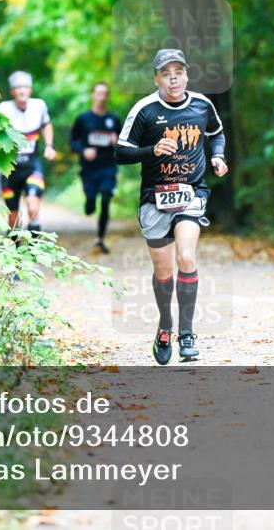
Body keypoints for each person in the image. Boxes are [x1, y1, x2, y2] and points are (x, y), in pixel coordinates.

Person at [115, 49, 228, 364]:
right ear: (157, 78)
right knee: (163, 270)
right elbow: (121, 153)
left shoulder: (202, 105)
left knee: (186, 256)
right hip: (155, 198)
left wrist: (218, 157)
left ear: (187, 75)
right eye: (166, 73)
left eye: (178, 71)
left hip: (192, 193)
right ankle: (165, 324)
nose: (173, 77)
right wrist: (152, 150)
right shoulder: (145, 110)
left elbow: (217, 134)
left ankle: (187, 335)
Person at [0, 71, 57, 233]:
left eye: (25, 87)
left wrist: (49, 146)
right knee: (13, 215)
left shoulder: (39, 106)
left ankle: (34, 246)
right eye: (18, 87)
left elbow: (47, 124)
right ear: (12, 91)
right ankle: (16, 250)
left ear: (30, 90)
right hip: (10, 169)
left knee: (32, 202)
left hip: (32, 166)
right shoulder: (3, 108)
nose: (22, 90)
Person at [70, 82, 122, 253]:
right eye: (98, 93)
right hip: (89, 168)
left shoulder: (113, 120)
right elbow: (72, 141)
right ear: (93, 95)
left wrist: (117, 142)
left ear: (107, 97)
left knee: (106, 197)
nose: (101, 97)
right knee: (91, 204)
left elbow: (125, 144)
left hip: (108, 166)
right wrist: (83, 150)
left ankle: (100, 238)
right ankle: (89, 201)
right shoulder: (83, 119)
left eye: (105, 94)